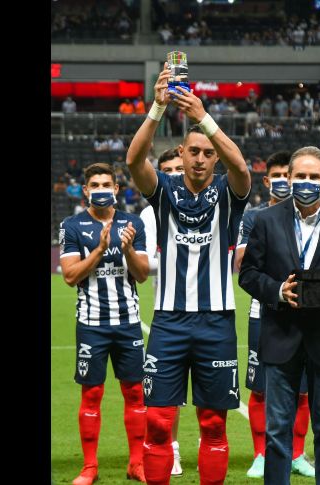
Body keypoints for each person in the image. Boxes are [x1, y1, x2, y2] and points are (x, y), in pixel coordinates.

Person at [126, 61, 251, 485]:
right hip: (169, 322)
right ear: (180, 153)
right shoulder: (164, 190)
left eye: (207, 153)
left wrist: (203, 117)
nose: (199, 159)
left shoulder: (229, 193)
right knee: (158, 422)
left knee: (214, 423)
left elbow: (242, 169)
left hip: (216, 322)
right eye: (193, 151)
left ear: (215, 156)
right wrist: (158, 108)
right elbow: (133, 160)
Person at [238, 146, 320, 485]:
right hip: (281, 337)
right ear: (289, 178)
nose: (306, 182)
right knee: (277, 433)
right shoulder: (266, 220)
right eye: (300, 176)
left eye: (314, 176)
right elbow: (249, 274)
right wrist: (277, 291)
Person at [58, 163, 151, 485]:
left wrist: (127, 249)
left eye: (106, 184)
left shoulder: (133, 223)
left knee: (135, 394)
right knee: (92, 394)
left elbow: (142, 274)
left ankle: (136, 464)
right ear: (85, 190)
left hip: (128, 323)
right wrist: (99, 249)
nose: (101, 190)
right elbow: (70, 276)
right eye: (94, 185)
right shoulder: (71, 226)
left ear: (116, 188)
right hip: (91, 324)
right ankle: (90, 467)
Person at [233, 151, 315, 479]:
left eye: (287, 175)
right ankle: (260, 454)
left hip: (306, 313)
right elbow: (242, 263)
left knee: (303, 389)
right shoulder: (253, 217)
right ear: (267, 181)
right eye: (277, 176)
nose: (283, 181)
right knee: (260, 387)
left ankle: (297, 453)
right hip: (263, 313)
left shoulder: (311, 215)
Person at [138, 148, 186, 477]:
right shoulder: (149, 212)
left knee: (212, 396)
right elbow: (146, 263)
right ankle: (172, 448)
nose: (173, 175)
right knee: (169, 394)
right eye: (166, 170)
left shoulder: (211, 203)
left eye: (178, 168)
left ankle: (210, 446)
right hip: (167, 312)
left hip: (210, 312)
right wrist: (180, 256)